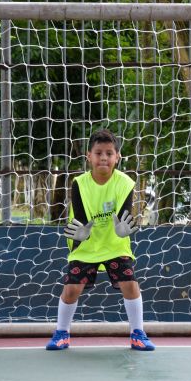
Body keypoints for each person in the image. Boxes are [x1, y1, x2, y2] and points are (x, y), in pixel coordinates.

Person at [46, 129, 156, 351]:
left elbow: (124, 217)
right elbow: (80, 218)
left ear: (117, 157)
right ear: (89, 156)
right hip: (86, 244)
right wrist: (80, 237)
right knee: (71, 289)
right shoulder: (79, 183)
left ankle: (138, 333)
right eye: (98, 153)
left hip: (115, 244)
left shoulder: (125, 183)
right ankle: (61, 333)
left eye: (109, 153)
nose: (103, 157)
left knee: (130, 284)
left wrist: (124, 230)